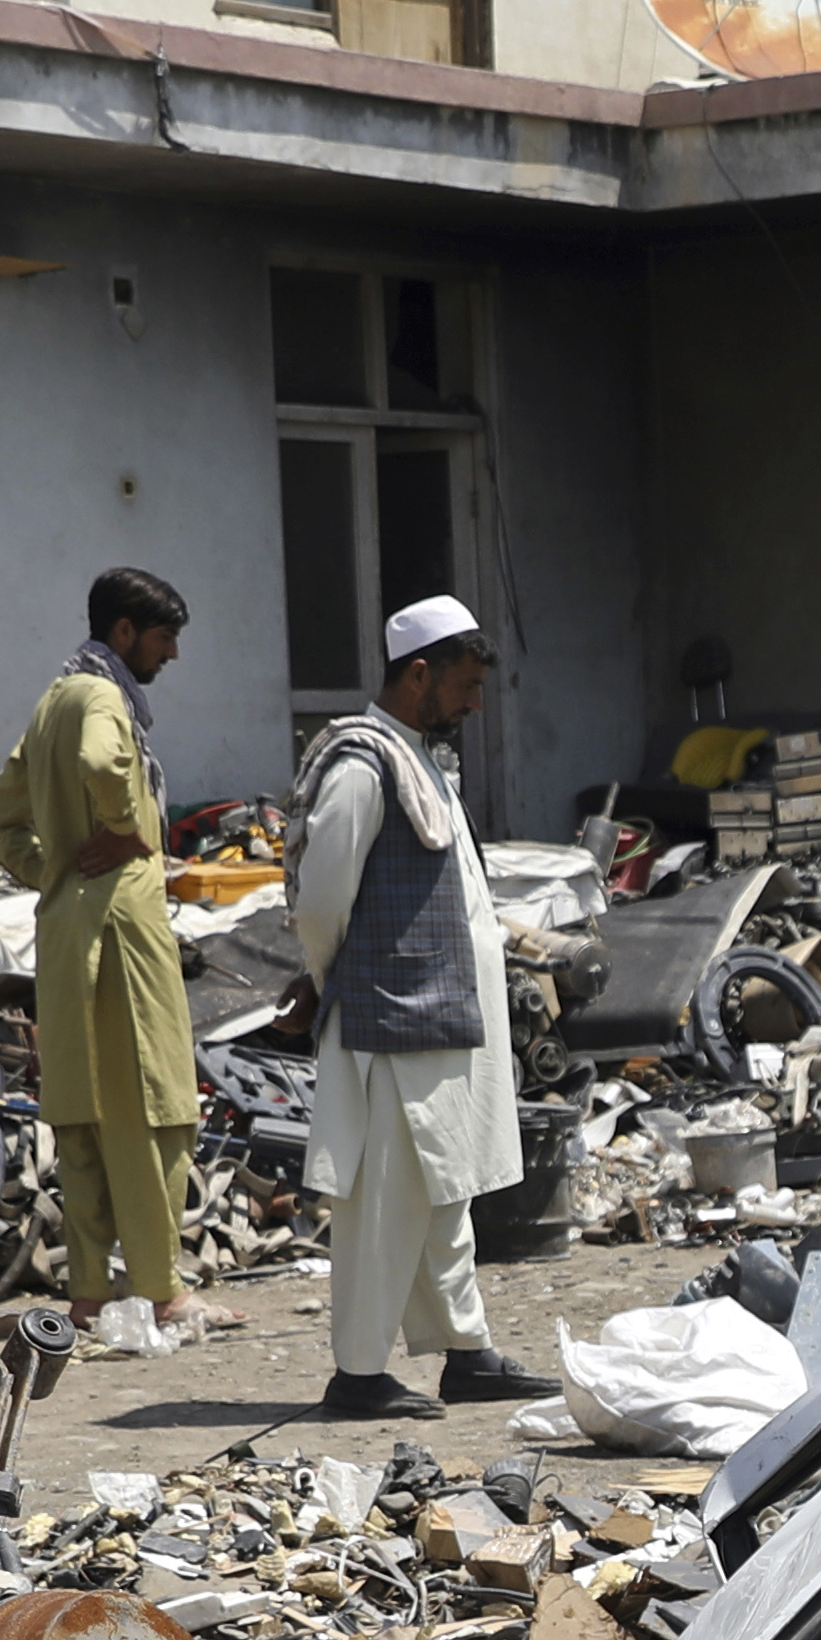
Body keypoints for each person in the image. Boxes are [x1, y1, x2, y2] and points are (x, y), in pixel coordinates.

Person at [290, 592, 547, 1417]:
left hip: (435, 1016)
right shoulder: (365, 763)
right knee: (385, 1200)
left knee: (445, 1193)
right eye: (465, 686)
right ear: (419, 673)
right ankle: (358, 1374)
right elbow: (321, 897)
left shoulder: (417, 755)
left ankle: (466, 1353)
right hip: (389, 1020)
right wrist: (339, 980)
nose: (475, 704)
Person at [0, 571, 204, 1349]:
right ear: (126, 633)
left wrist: (57, 873)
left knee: (82, 1115)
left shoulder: (52, 700)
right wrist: (130, 829)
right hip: (123, 928)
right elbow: (108, 766)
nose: (170, 655)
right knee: (152, 1108)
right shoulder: (103, 701)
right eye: (163, 639)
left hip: (69, 931)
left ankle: (90, 1296)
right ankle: (165, 1295)